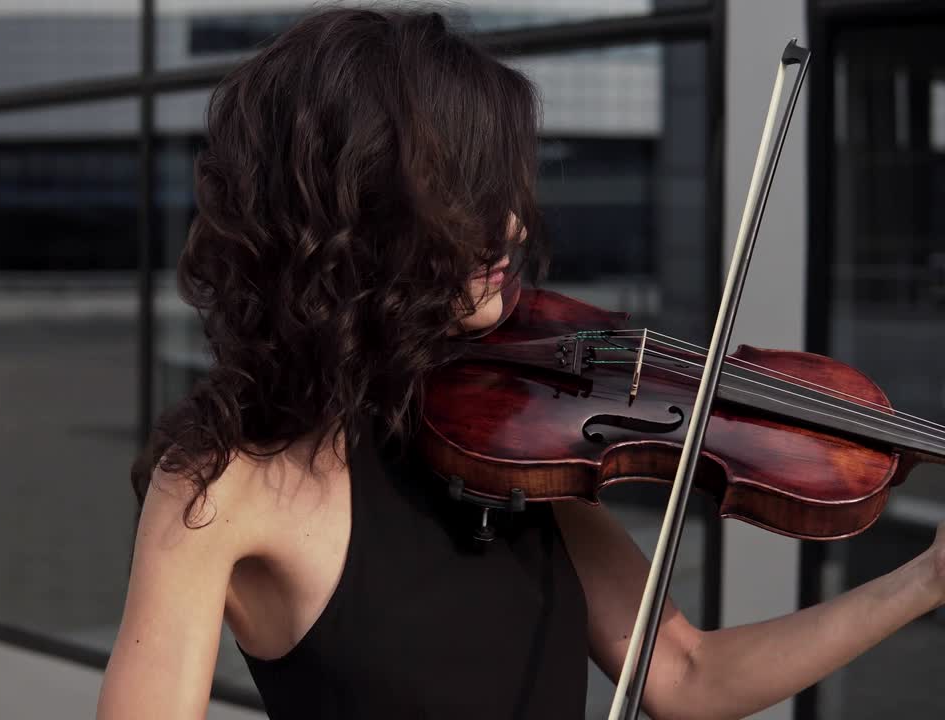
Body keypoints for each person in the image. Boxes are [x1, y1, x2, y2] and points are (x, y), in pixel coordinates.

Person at [98, 7, 945, 719]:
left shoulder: (509, 432)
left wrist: (924, 581)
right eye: (463, 197)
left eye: (505, 185)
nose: (507, 226)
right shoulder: (218, 485)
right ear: (355, 213)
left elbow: (686, 674)